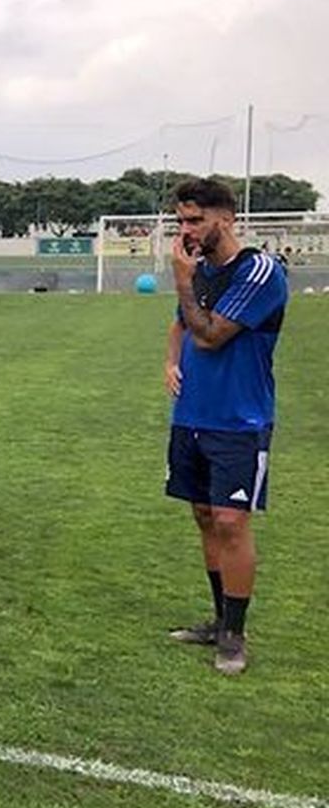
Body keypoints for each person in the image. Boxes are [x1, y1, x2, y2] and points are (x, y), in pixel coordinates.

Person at [163, 178, 289, 676]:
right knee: (204, 516)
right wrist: (171, 362)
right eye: (181, 221)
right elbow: (182, 324)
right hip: (192, 414)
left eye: (196, 220)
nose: (187, 230)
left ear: (227, 218)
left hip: (240, 420)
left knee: (232, 521)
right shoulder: (201, 272)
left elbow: (211, 336)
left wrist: (181, 281)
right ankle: (218, 620)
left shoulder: (258, 270)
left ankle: (234, 635)